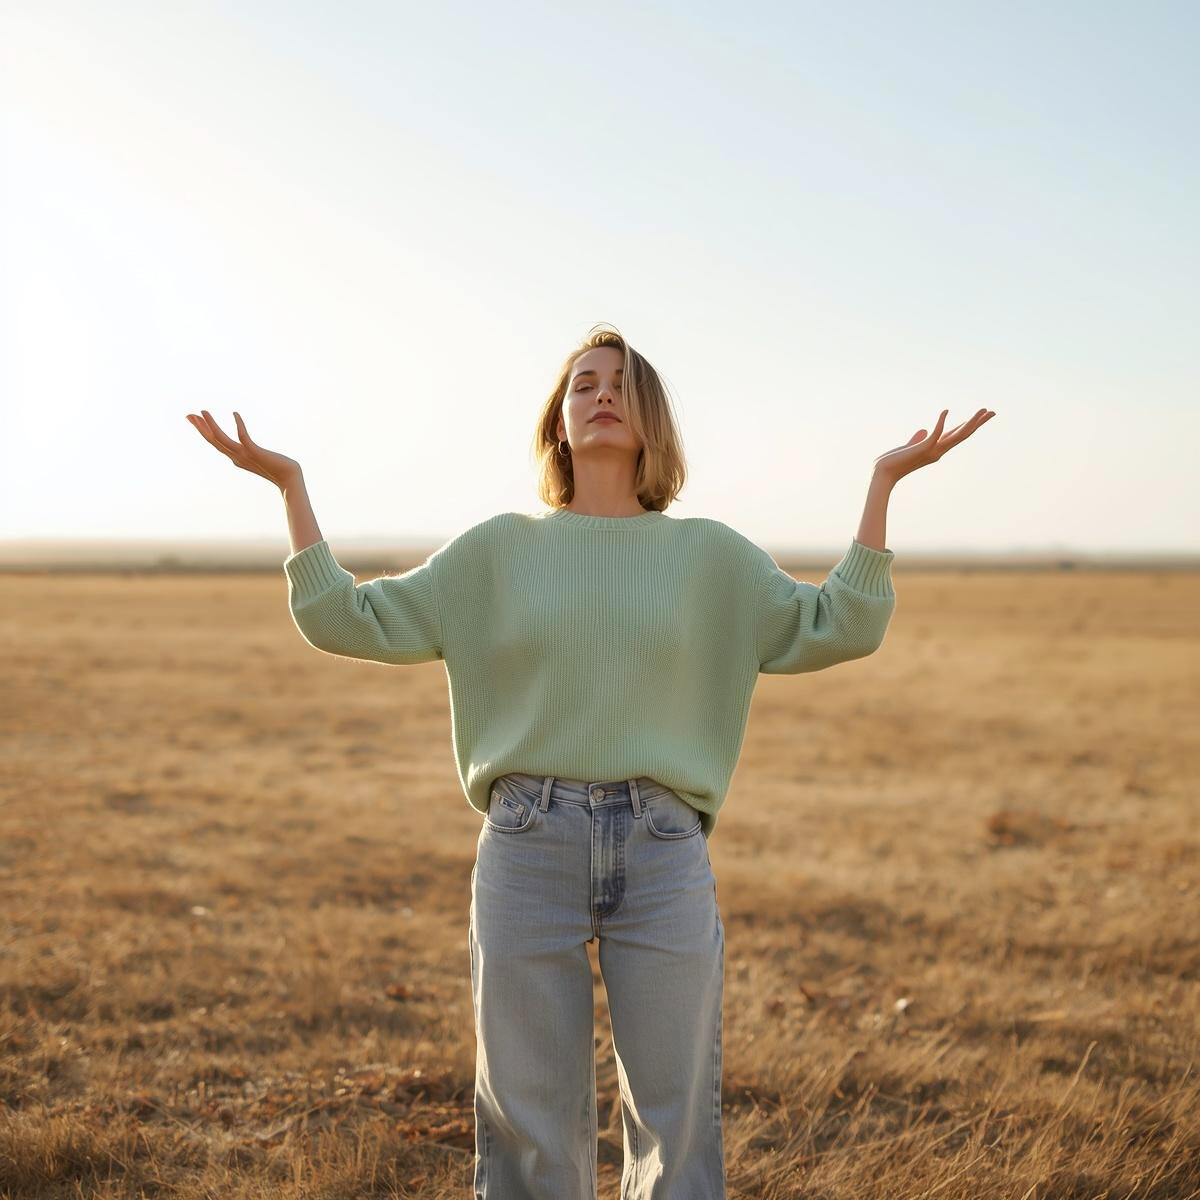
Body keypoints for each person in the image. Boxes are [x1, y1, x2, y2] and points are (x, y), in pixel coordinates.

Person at [186, 322, 995, 1199]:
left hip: (663, 848)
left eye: (620, 383)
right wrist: (290, 486)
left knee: (675, 1116)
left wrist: (883, 484)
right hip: (527, 841)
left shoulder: (711, 556)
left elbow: (840, 623)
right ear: (558, 424)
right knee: (527, 1119)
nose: (601, 394)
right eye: (583, 383)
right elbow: (346, 618)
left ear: (650, 419)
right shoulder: (498, 550)